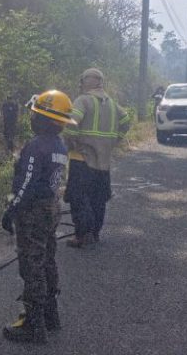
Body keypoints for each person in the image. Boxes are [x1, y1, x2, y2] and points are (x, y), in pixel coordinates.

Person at [0, 90, 76, 344]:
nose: (31, 118)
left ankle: (34, 326)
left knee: (32, 266)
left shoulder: (36, 146)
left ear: (43, 119)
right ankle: (50, 315)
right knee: (47, 260)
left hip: (33, 213)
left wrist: (11, 210)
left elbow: (27, 184)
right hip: (51, 209)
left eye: (35, 114)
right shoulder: (59, 145)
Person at [63, 68, 131, 248]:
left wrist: (71, 142)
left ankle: (82, 235)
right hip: (103, 162)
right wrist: (115, 140)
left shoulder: (83, 100)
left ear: (88, 81)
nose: (80, 84)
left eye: (82, 80)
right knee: (98, 199)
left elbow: (71, 123)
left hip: (82, 159)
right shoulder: (112, 104)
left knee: (78, 198)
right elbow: (126, 121)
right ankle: (94, 233)